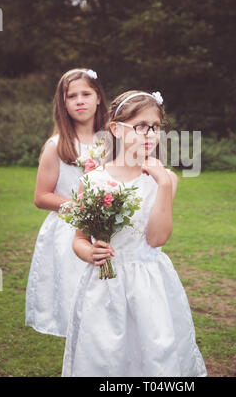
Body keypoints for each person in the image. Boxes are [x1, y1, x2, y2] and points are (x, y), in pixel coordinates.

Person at [62, 90, 207, 377]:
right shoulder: (93, 181)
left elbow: (157, 239)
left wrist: (164, 183)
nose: (150, 134)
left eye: (156, 127)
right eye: (141, 126)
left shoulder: (164, 180)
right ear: (116, 129)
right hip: (105, 285)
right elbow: (79, 240)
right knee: (105, 355)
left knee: (154, 352)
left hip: (150, 284)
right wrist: (89, 252)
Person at [25, 68, 108, 337]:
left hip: (105, 230)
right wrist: (80, 208)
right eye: (72, 96)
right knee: (77, 305)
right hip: (69, 232)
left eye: (86, 93)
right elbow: (41, 196)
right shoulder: (58, 145)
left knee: (105, 303)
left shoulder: (111, 142)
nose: (80, 100)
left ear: (98, 98)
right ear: (63, 103)